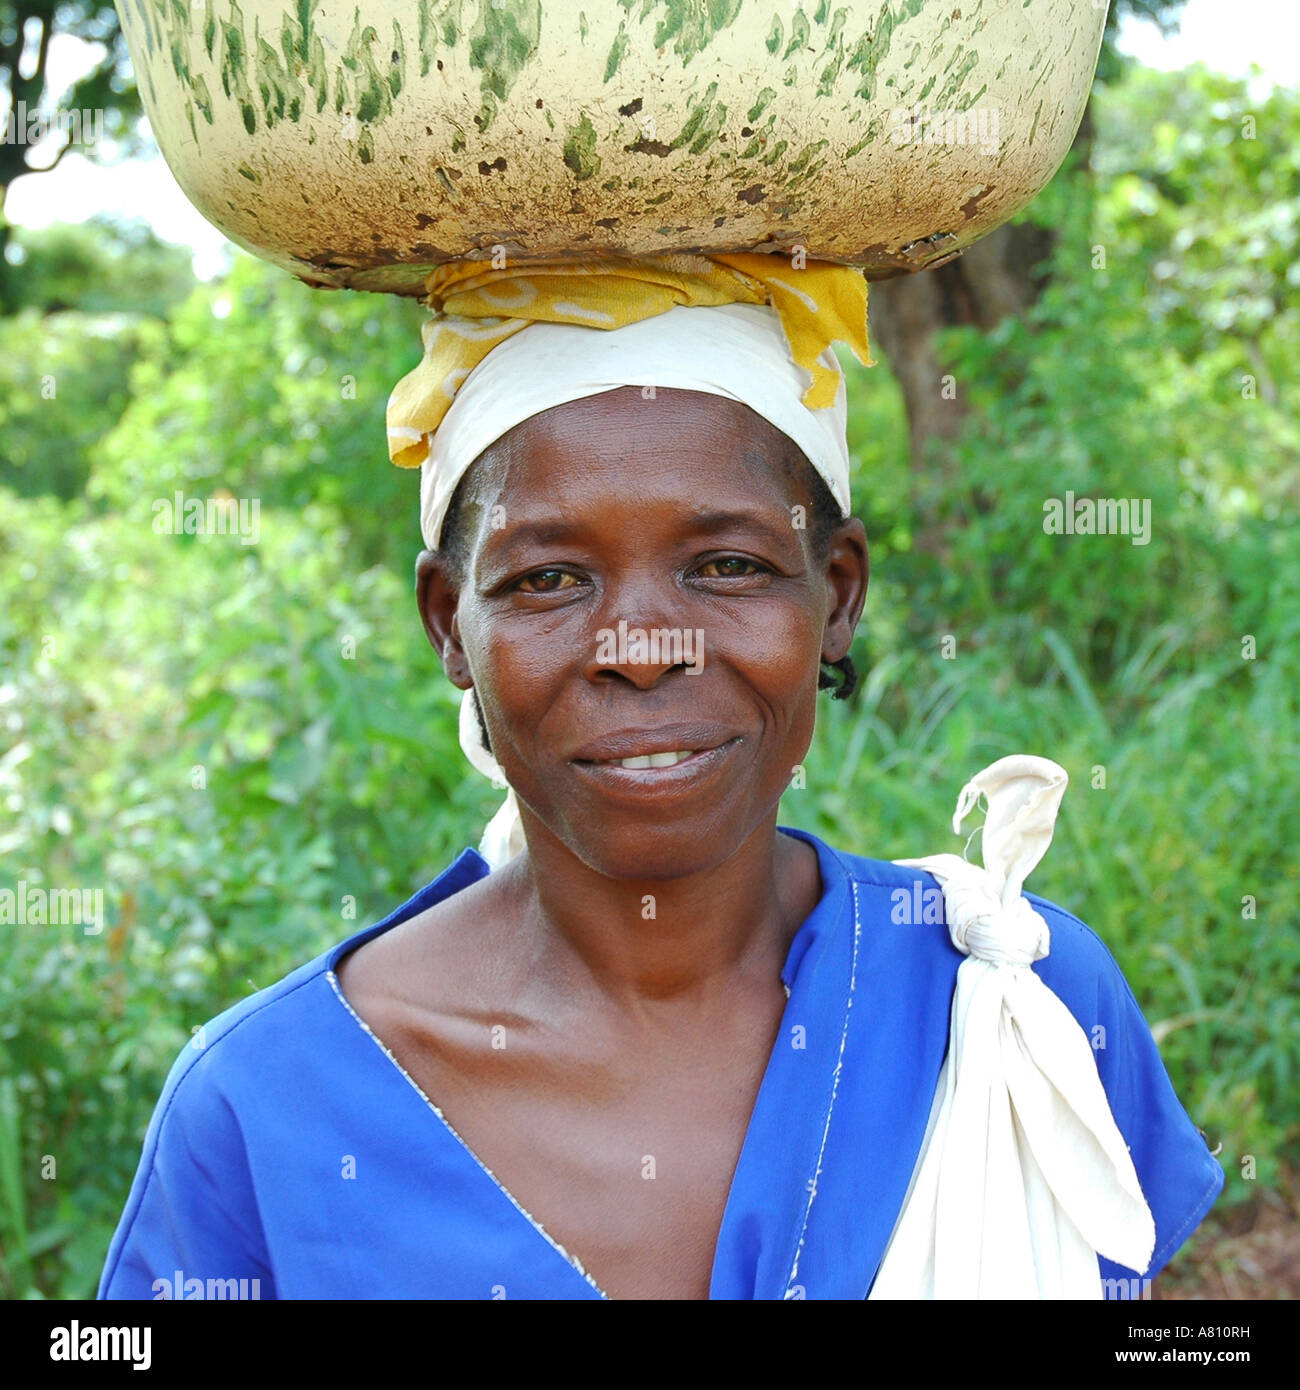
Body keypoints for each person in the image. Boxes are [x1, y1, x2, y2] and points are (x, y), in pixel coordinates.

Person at [98, 254, 1222, 1301]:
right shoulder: (267, 1112)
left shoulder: (1015, 999)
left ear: (834, 595)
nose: (642, 647)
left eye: (726, 565)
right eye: (547, 579)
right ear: (450, 625)